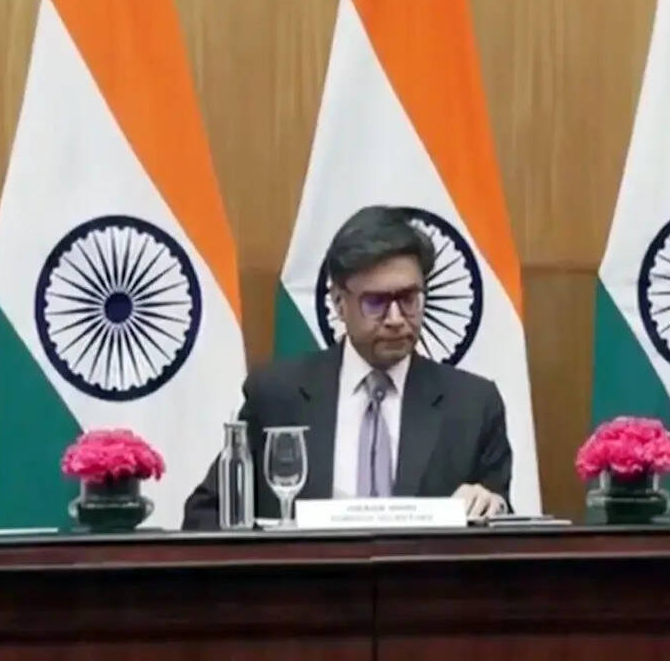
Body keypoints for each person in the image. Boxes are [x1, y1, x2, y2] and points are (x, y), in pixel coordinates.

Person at [183, 205, 512, 529]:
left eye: (408, 299)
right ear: (339, 303)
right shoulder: (278, 396)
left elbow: (506, 530)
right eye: (376, 302)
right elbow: (206, 516)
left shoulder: (473, 405)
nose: (396, 319)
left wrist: (492, 506)